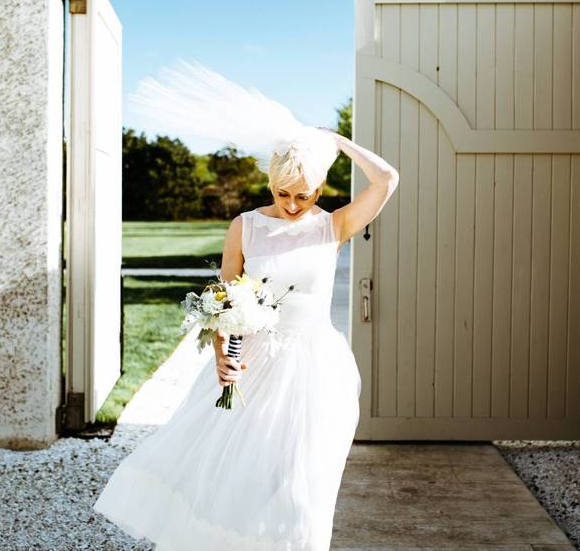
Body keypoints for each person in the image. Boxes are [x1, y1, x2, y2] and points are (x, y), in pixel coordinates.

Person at [92, 126, 399, 550]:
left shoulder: (335, 226)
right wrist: (222, 356)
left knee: (305, 484)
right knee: (235, 477)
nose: (292, 205)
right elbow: (222, 301)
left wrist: (335, 142)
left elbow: (387, 179)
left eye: (303, 195)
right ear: (271, 185)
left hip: (315, 368)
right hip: (251, 364)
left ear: (320, 187)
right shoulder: (246, 227)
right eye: (282, 193)